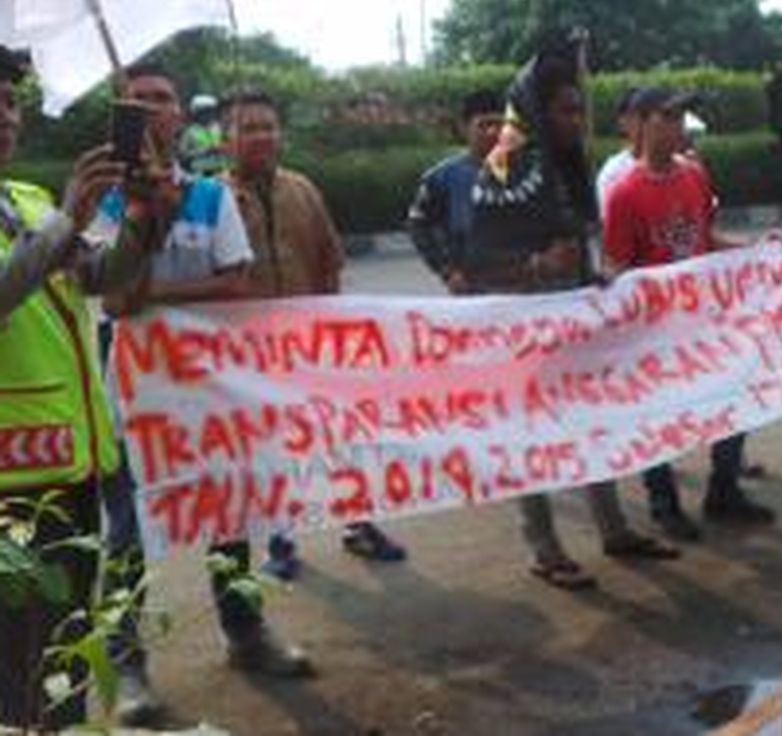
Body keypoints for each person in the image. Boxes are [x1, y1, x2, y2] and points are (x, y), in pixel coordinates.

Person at [93, 65, 311, 721]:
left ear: (182, 117)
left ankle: (245, 632)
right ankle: (127, 665)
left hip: (209, 387)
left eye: (163, 99)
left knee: (227, 509)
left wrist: (150, 299)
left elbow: (237, 284)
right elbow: (112, 296)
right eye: (139, 101)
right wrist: (145, 221)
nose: (153, 109)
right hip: (133, 394)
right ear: (122, 117)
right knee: (129, 529)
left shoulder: (212, 197)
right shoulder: (101, 202)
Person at [471, 49, 679, 590]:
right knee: (530, 440)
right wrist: (537, 265)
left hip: (574, 325)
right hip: (521, 335)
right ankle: (545, 549)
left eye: (580, 110)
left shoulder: (569, 165)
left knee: (594, 425)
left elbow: (581, 241)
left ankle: (614, 530)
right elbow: (479, 263)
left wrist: (596, 276)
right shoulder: (501, 171)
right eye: (564, 111)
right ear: (537, 111)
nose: (576, 121)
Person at [0, 46, 154, 729]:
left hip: (74, 469)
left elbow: (104, 276)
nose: (4, 117)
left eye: (8, 103)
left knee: (64, 656)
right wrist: (68, 217)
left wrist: (152, 218)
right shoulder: (48, 208)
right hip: (11, 488)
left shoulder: (27, 199)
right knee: (11, 667)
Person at [221, 89, 408, 579]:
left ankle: (360, 523)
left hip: (311, 346)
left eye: (268, 125)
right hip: (248, 355)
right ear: (225, 140)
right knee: (271, 451)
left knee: (340, 438)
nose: (262, 135)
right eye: (248, 127)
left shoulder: (302, 189)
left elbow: (329, 261)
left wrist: (333, 336)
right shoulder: (212, 199)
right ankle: (280, 541)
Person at [603, 87, 775, 541]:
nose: (679, 125)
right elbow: (618, 270)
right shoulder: (623, 193)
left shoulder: (695, 176)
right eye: (668, 116)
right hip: (655, 329)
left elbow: (705, 238)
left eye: (682, 116)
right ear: (641, 122)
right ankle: (663, 502)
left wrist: (753, 251)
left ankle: (723, 489)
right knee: (657, 415)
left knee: (735, 394)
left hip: (704, 320)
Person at [409, 89, 505, 290]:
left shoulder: (529, 173)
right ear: (464, 128)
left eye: (499, 124)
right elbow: (419, 226)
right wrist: (447, 271)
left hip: (524, 286)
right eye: (484, 124)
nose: (493, 132)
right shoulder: (439, 178)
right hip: (471, 288)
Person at [594, 87, 641, 216]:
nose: (643, 123)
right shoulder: (613, 173)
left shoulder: (681, 166)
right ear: (622, 122)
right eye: (636, 116)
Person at [179, 94, 227, 176]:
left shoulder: (217, 128)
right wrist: (205, 151)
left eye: (211, 112)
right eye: (205, 112)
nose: (209, 115)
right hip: (199, 171)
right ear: (197, 114)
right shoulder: (190, 131)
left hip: (221, 168)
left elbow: (227, 145)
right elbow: (183, 155)